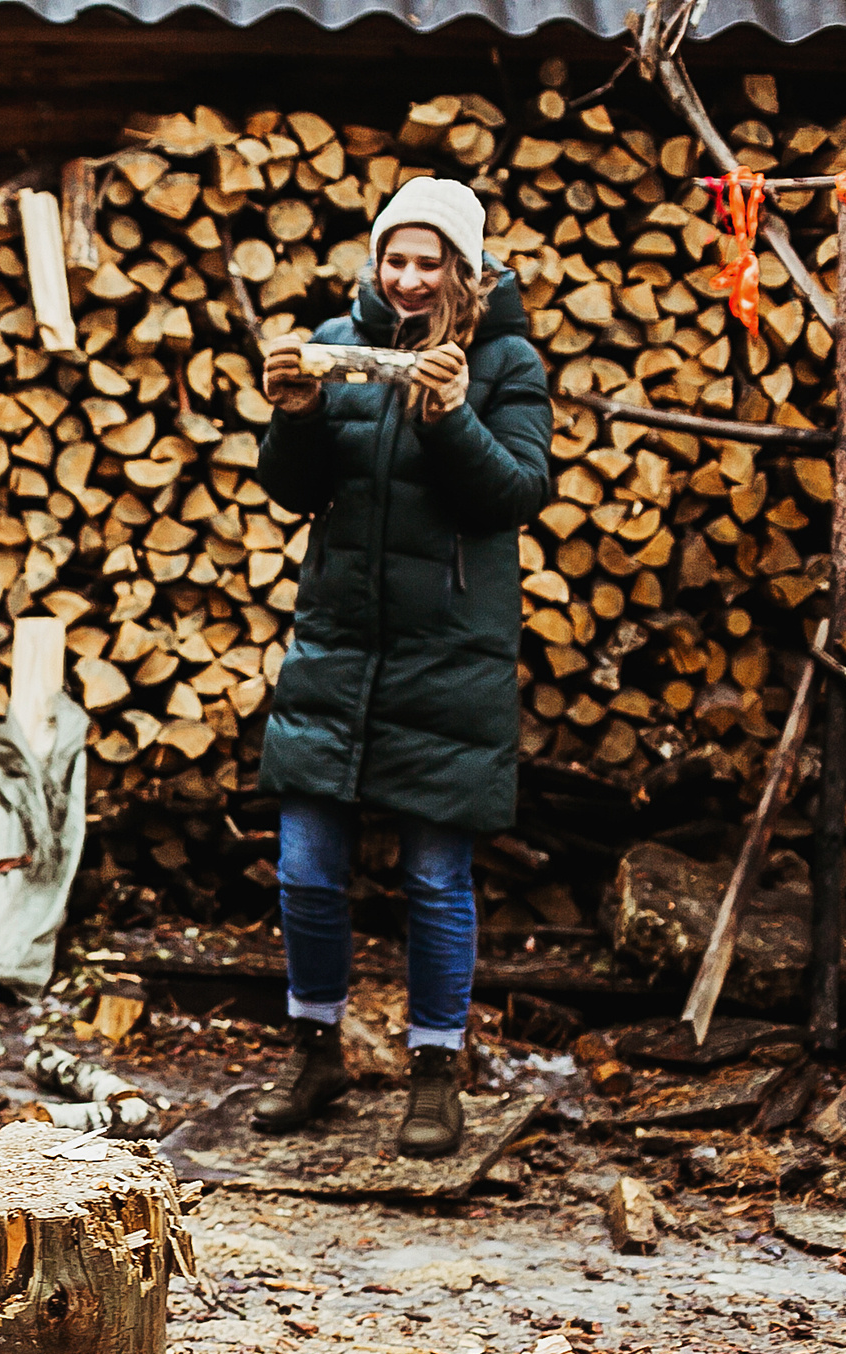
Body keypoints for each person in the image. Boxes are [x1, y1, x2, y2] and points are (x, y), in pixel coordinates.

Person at [248, 177, 552, 1158]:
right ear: (376, 260)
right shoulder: (339, 343)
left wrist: (452, 416)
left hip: (448, 656)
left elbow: (515, 494)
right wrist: (295, 414)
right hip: (337, 645)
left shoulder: (505, 361)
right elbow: (294, 489)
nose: (408, 278)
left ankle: (434, 1071)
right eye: (395, 258)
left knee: (433, 877)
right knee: (306, 869)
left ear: (462, 267)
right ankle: (315, 1054)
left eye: (429, 261)